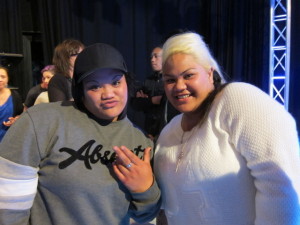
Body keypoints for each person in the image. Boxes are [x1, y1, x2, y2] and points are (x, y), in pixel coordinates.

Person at [0, 43, 161, 225]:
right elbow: (7, 203)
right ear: (81, 90)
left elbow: (145, 215)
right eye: (94, 86)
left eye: (116, 82)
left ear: (127, 82)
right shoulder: (43, 121)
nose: (108, 93)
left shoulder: (140, 141)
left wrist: (145, 190)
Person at [153, 32, 300, 225]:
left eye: (188, 75)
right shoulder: (169, 132)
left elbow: (281, 186)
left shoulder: (236, 99)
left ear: (210, 73)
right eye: (170, 80)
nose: (179, 86)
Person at [131, 46, 179, 141]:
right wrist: (152, 100)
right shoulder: (148, 81)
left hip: (167, 131)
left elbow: (168, 104)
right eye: (151, 57)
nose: (152, 60)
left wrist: (147, 100)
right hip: (148, 131)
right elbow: (135, 104)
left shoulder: (172, 80)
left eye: (156, 56)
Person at [0, 66, 23, 142]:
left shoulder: (15, 95)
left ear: (7, 79)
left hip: (8, 140)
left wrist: (15, 120)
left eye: (3, 77)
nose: (0, 79)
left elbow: (21, 115)